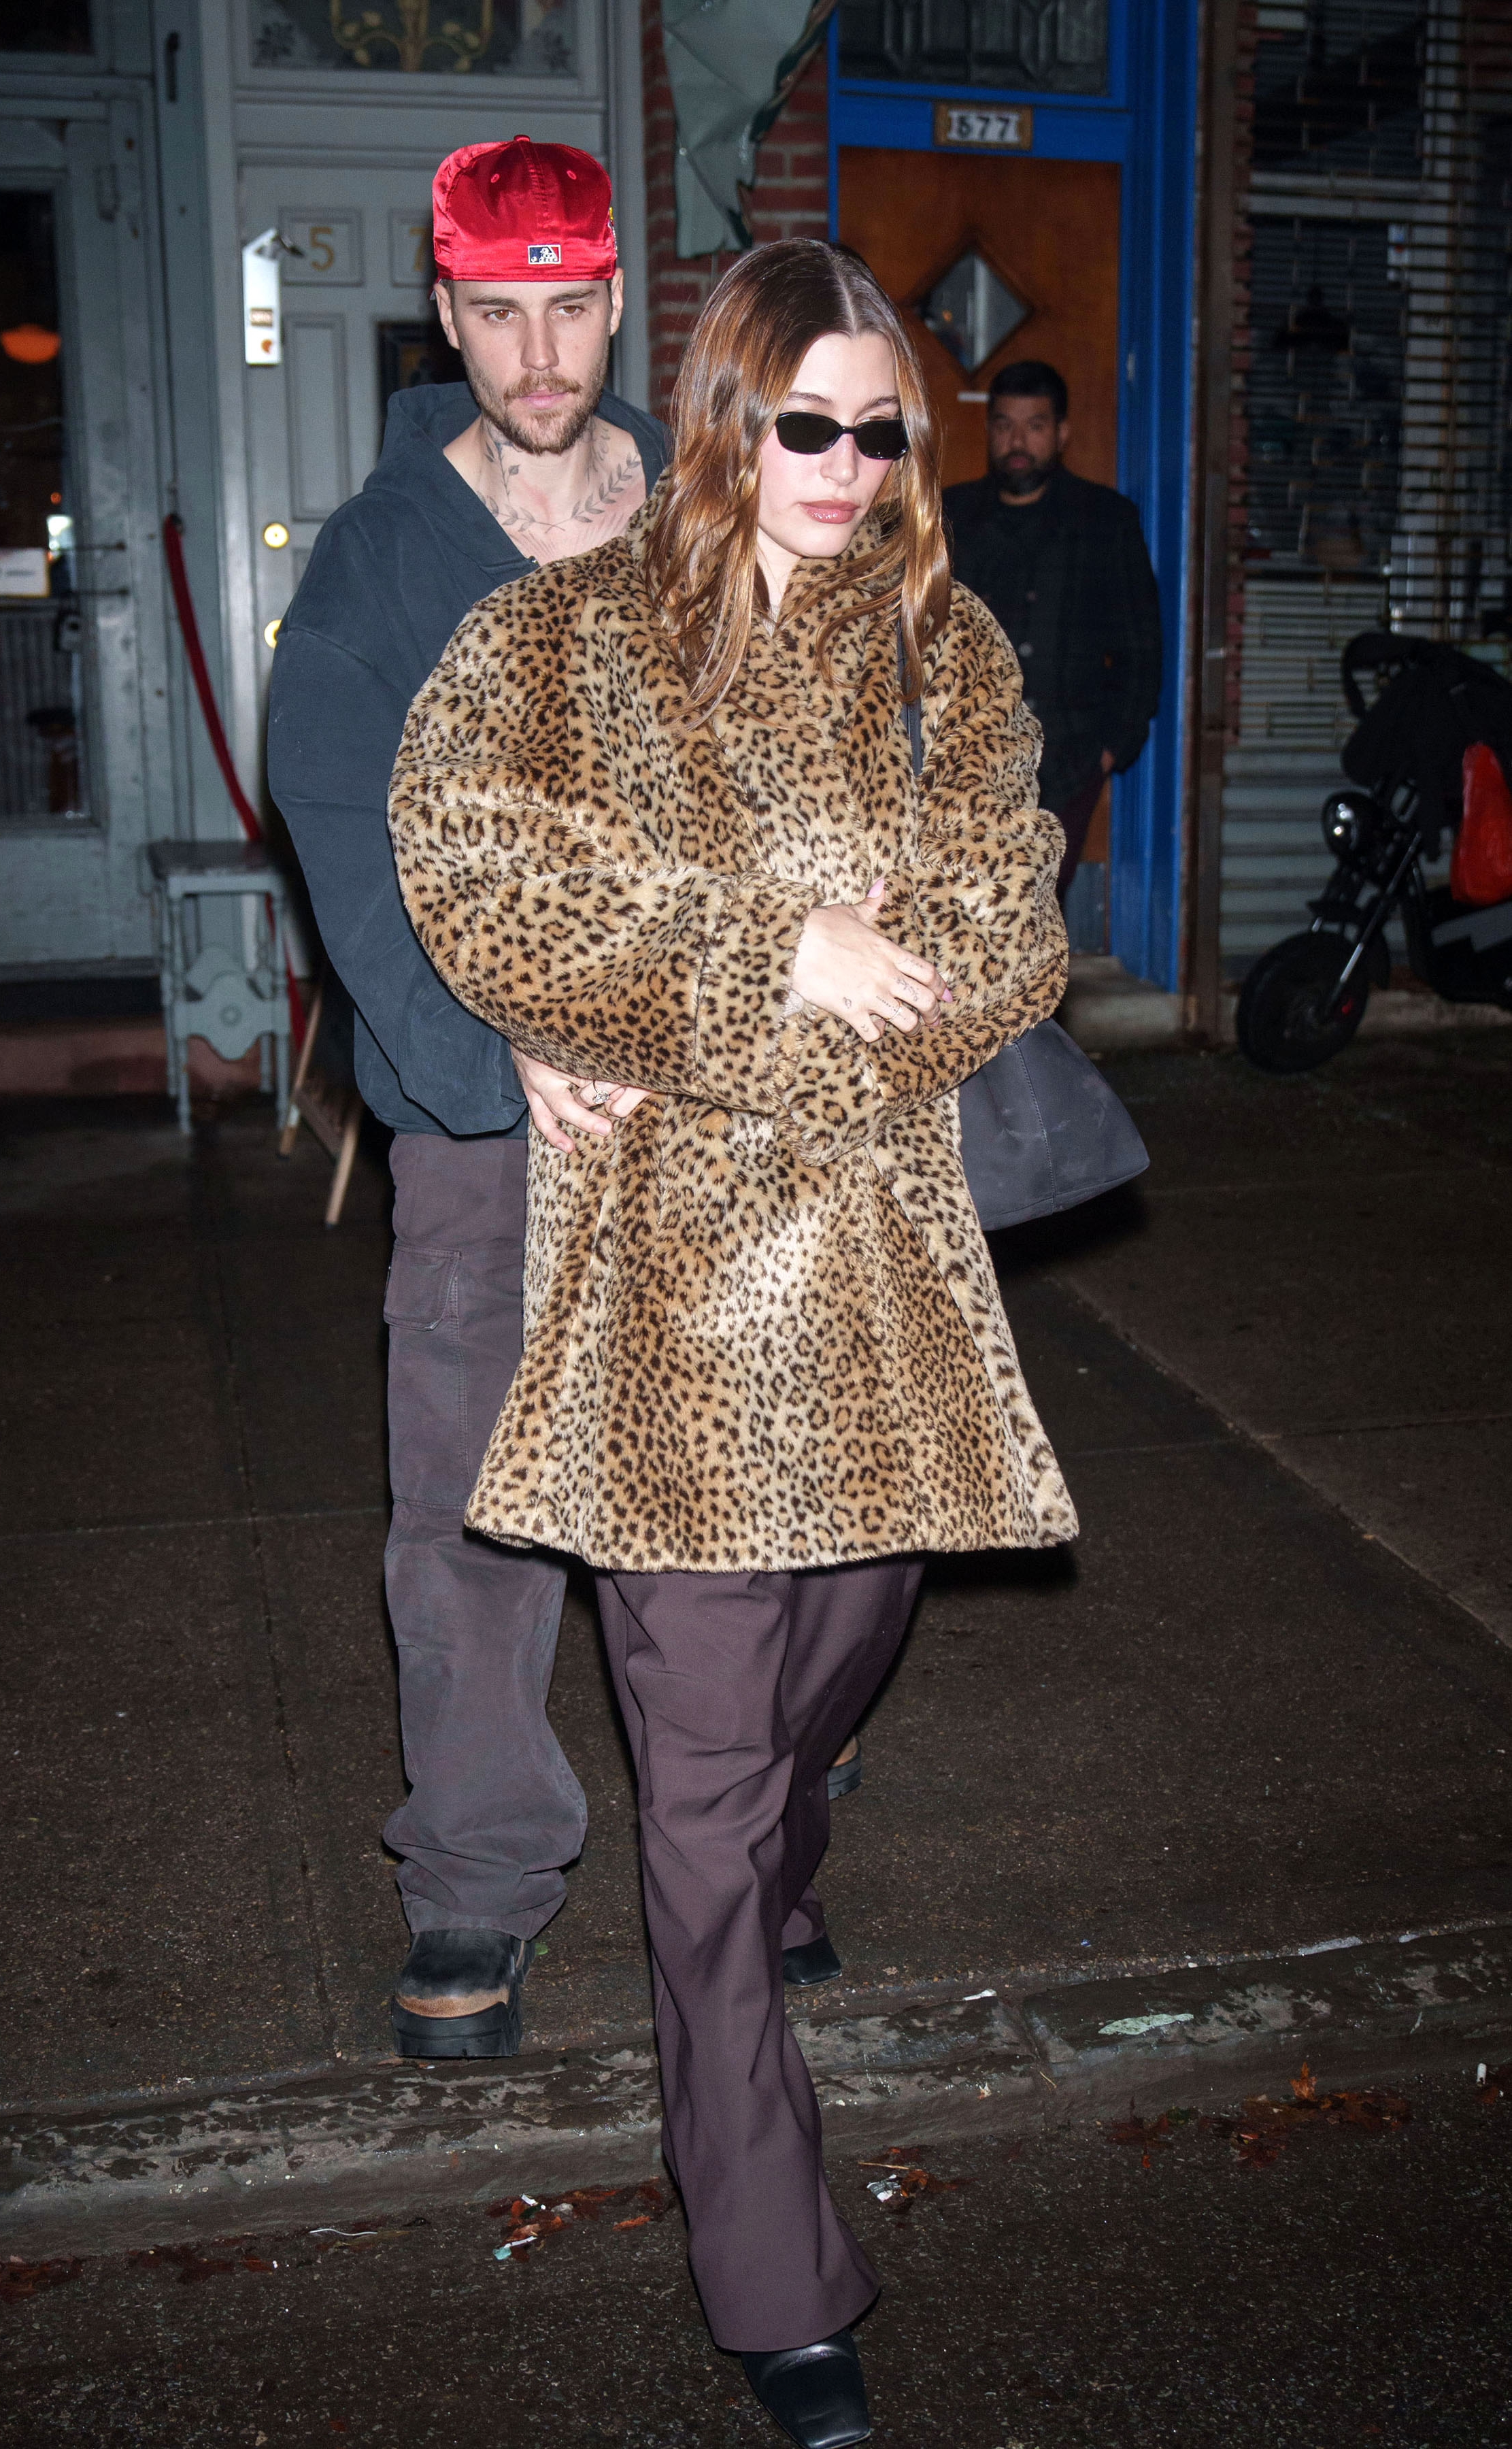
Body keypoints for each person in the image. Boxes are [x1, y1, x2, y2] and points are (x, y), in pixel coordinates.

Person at [389, 239, 1076, 2448]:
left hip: (877, 1302)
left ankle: (788, 1865)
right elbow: (472, 861)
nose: (850, 467)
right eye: (811, 423)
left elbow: (1009, 926)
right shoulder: (562, 639)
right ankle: (775, 2277)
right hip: (672, 1319)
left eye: (886, 431)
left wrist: (879, 975)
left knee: (830, 1680)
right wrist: (766, 951)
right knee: (697, 1807)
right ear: (725, 420)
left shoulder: (943, 648)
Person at [266, 137, 669, 2060]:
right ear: (447, 310)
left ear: (613, 301)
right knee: (473, 1509)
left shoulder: (710, 509)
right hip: (482, 1108)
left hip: (716, 1097)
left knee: (748, 1504)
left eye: (567, 308)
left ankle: (748, 1841)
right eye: (494, 312)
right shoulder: (382, 554)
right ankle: (481, 1883)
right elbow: (342, 833)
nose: (534, 353)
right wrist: (482, 1040)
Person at [943, 359, 1162, 899]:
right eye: (1003, 425)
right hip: (963, 759)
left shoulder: (1105, 521)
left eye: (1034, 426)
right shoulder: (949, 515)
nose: (1017, 441)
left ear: (1061, 433)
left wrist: (1110, 750)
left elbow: (1141, 647)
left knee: (1036, 914)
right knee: (957, 912)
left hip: (1066, 758)